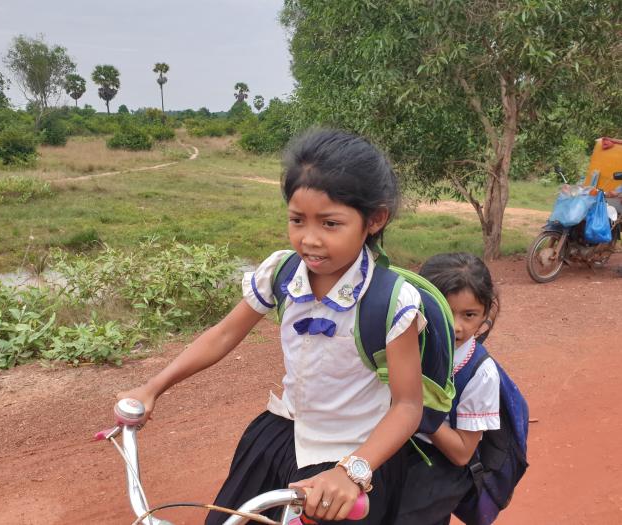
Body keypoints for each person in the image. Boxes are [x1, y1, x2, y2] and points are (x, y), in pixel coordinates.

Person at [118, 128, 425, 524]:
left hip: (352, 456)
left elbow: (407, 405)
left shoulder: (391, 301)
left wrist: (354, 472)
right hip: (281, 436)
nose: (309, 239)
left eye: (330, 224)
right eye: (297, 220)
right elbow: (224, 334)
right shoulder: (281, 271)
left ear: (374, 220)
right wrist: (152, 387)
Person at [396, 252, 500, 525]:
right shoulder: (402, 343)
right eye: (441, 308)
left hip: (437, 467)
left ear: (486, 313)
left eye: (469, 315)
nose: (455, 326)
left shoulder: (480, 372)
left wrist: (419, 409)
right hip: (395, 446)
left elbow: (462, 452)